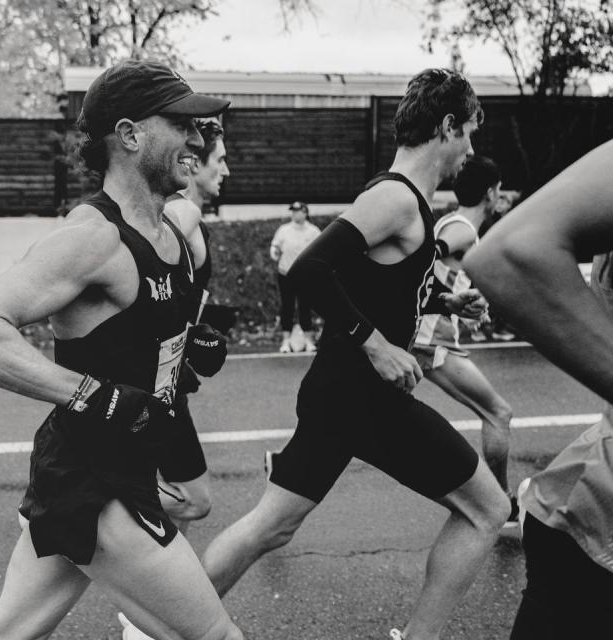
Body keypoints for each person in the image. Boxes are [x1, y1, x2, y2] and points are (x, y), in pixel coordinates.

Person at [0, 59, 241, 640]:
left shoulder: (169, 232)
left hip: (104, 468)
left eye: (202, 128)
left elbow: (125, 334)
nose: (199, 138)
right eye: (183, 124)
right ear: (131, 135)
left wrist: (184, 345)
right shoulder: (92, 239)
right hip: (96, 482)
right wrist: (92, 395)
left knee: (3, 632)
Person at [196, 69, 510, 640]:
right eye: (468, 133)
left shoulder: (406, 201)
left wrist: (447, 298)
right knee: (487, 508)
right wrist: (377, 345)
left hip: (345, 393)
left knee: (272, 526)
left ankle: (157, 624)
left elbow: (376, 284)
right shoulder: (394, 197)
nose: (470, 149)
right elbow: (311, 267)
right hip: (360, 393)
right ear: (446, 126)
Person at [463, 139, 613, 640]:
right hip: (594, 533)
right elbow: (512, 256)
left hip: (580, 515)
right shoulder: (423, 213)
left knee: (498, 414)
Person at [410, 155, 517, 525]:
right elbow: (425, 260)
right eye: (499, 188)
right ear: (490, 192)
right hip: (431, 342)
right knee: (498, 413)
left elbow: (440, 274)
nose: (500, 195)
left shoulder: (456, 225)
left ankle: (287, 459)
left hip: (427, 336)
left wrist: (469, 305)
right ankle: (502, 505)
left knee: (364, 415)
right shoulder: (462, 230)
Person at [154, 118, 230, 537]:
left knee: (189, 501)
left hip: (168, 376)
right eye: (220, 160)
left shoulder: (190, 217)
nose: (226, 170)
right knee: (194, 499)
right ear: (194, 164)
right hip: (152, 381)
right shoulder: (182, 211)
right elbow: (142, 251)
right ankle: (94, 497)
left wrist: (192, 334)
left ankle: (160, 598)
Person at [270, 201, 321, 352]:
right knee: (287, 307)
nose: (294, 214)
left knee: (305, 306)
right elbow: (275, 246)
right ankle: (285, 341)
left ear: (305, 213)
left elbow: (320, 250)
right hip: (286, 273)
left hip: (305, 275)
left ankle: (308, 340)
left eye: (298, 211)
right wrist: (274, 253)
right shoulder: (284, 230)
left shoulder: (313, 231)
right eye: (293, 211)